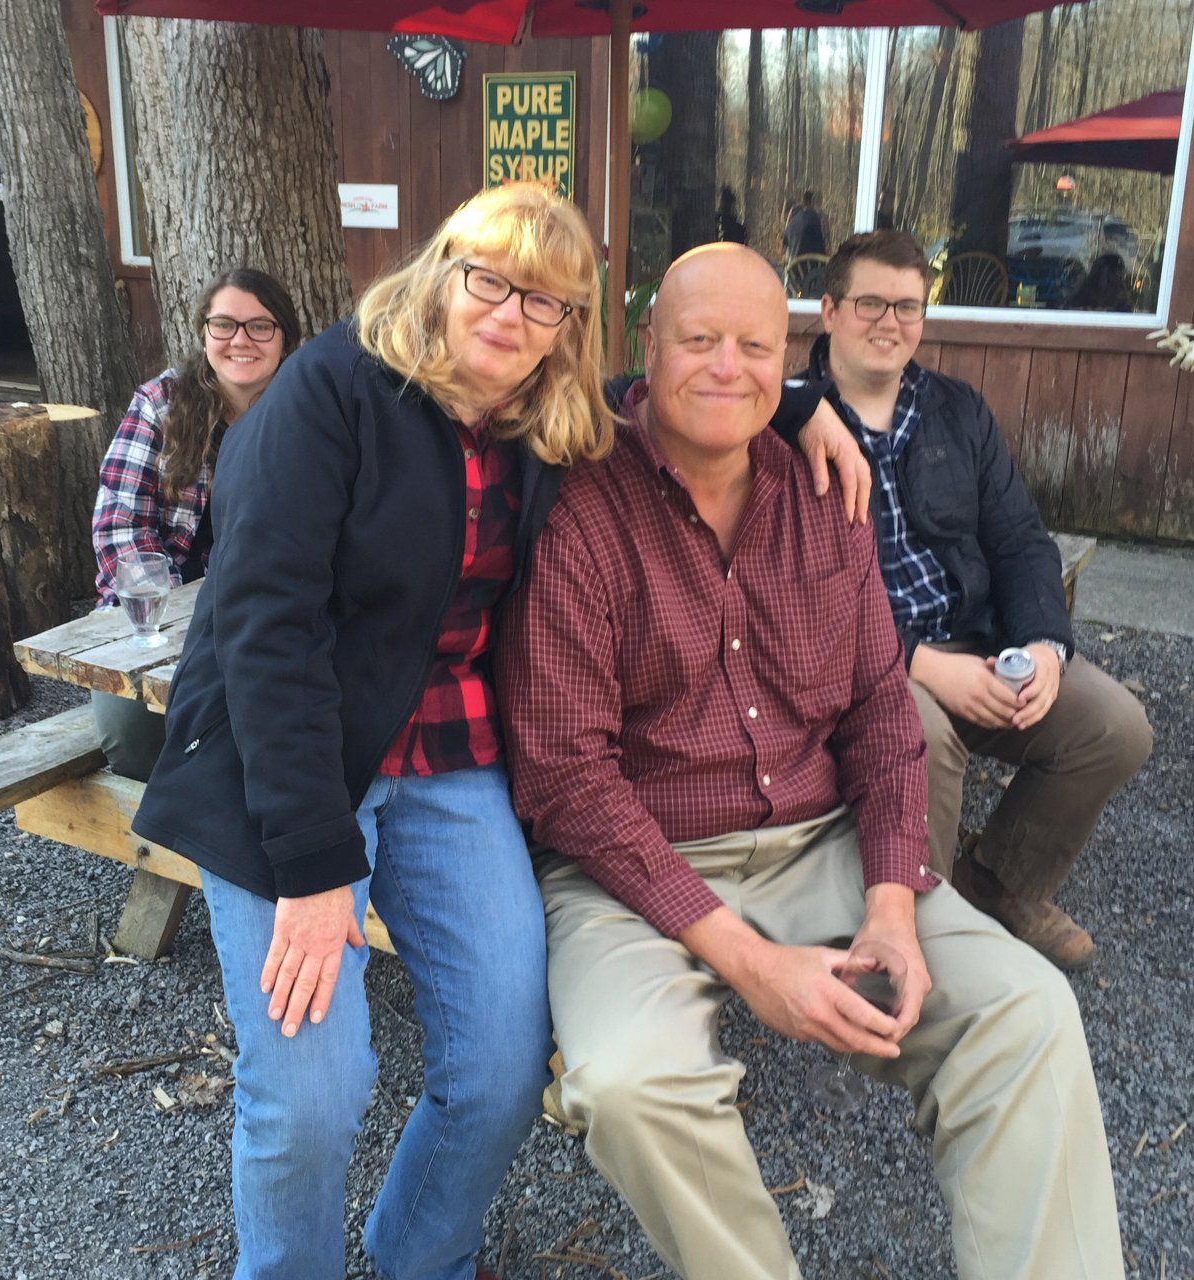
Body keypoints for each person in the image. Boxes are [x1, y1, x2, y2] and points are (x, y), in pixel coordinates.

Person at [127, 184, 864, 1280]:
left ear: (568, 327)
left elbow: (678, 384)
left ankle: (422, 1250)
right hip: (287, 767)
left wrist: (797, 399)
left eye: (546, 300)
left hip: (448, 761)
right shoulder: (328, 394)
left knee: (504, 1059)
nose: (510, 313)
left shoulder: (543, 420)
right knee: (314, 1092)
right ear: (439, 270)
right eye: (489, 278)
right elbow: (263, 638)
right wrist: (317, 864)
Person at [497, 241, 1125, 1280]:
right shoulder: (581, 509)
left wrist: (889, 899)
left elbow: (882, 710)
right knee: (623, 1080)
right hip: (631, 863)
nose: (724, 367)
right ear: (643, 349)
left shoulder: (823, 495)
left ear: (787, 363)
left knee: (1023, 1010)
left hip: (818, 843)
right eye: (696, 339)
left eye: (753, 346)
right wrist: (752, 965)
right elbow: (567, 781)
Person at [809, 230, 1151, 969]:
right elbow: (791, 594)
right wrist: (919, 664)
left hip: (978, 642)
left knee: (1115, 725)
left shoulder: (958, 413)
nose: (889, 322)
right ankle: (919, 928)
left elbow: (1022, 540)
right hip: (857, 665)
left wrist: (1042, 646)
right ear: (829, 311)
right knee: (920, 733)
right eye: (870, 302)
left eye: (907, 306)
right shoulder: (783, 425)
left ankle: (1000, 881)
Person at [90, 268, 301, 780]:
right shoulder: (161, 404)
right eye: (224, 324)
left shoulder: (308, 410)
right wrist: (176, 616)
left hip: (270, 615)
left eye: (260, 327)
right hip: (157, 620)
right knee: (131, 736)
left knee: (277, 731)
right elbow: (119, 526)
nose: (240, 341)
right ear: (204, 332)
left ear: (285, 338)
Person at [782, 189, 825, 257]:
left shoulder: (793, 221)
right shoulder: (817, 218)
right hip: (813, 264)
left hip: (794, 264)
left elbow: (784, 243)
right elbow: (824, 246)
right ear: (812, 202)